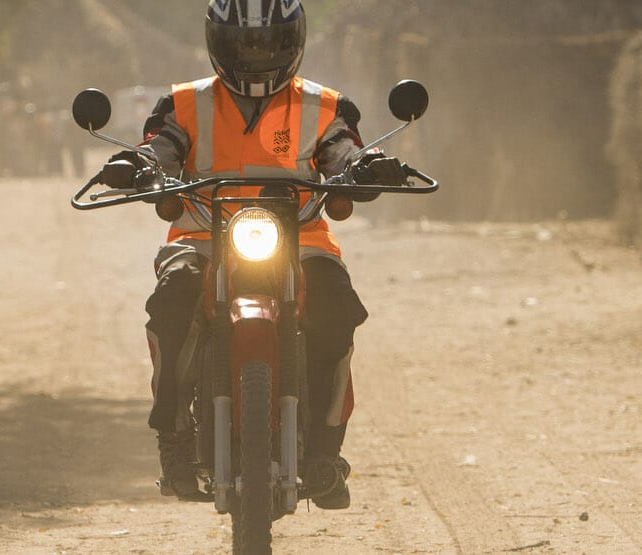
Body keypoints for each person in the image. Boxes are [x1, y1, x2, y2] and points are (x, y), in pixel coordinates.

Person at [94, 0, 410, 511]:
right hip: (199, 236)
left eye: (270, 42)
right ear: (218, 43)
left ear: (294, 41)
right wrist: (134, 162)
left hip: (303, 237)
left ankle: (326, 452)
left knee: (336, 306)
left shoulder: (325, 106)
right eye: (244, 43)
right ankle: (174, 443)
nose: (257, 54)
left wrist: (371, 165)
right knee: (171, 303)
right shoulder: (182, 104)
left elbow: (345, 152)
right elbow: (159, 147)